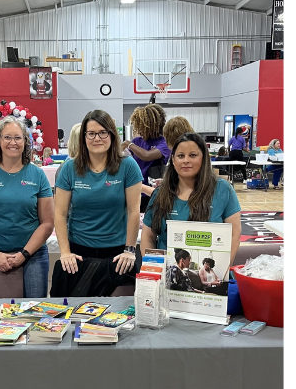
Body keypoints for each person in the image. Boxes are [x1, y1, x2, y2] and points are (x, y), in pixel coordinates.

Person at [0, 115, 54, 298]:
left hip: (32, 256)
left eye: (18, 137)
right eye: (7, 137)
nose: (12, 142)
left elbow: (47, 223)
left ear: (25, 141)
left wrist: (24, 254)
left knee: (33, 314)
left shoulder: (37, 175)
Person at [54, 109, 142, 278]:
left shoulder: (128, 166)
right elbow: (60, 213)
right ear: (83, 137)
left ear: (112, 135)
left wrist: (130, 250)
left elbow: (133, 212)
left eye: (103, 133)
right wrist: (65, 252)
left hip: (118, 254)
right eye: (91, 134)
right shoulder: (69, 168)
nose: (97, 138)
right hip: (78, 252)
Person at [140, 133, 241, 262]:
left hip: (213, 277)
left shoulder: (223, 190)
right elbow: (148, 237)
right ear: (173, 159)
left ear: (203, 158)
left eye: (192, 155)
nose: (186, 160)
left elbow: (234, 235)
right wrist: (154, 268)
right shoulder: (160, 194)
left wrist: (222, 271)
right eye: (180, 156)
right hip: (168, 276)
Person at [121, 104, 169, 212]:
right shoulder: (137, 141)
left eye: (142, 127)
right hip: (135, 191)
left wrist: (128, 144)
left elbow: (147, 156)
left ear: (151, 126)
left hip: (153, 193)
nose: (139, 130)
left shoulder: (164, 143)